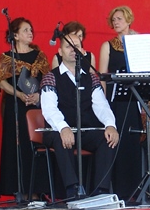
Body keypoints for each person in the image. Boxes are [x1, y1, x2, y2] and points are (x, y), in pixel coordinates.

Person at [41, 33, 120, 199]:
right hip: (57, 130)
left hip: (84, 130)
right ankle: (72, 190)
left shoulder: (91, 78)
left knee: (107, 138)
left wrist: (110, 125)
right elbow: (49, 109)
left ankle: (101, 191)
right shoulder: (51, 77)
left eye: (76, 46)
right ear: (60, 51)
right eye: (68, 46)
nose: (73, 50)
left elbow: (101, 106)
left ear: (83, 51)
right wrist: (63, 128)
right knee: (61, 139)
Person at [0, 17, 50, 198]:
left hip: (35, 107)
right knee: (16, 145)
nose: (30, 33)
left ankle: (37, 189)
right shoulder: (6, 57)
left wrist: (39, 94)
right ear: (15, 35)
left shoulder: (39, 56)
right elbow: (2, 82)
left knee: (35, 144)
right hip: (16, 106)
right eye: (25, 30)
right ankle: (18, 188)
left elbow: (47, 79)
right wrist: (19, 94)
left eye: (31, 30)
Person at [99, 6, 143, 199]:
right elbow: (102, 78)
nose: (116, 22)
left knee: (134, 142)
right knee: (119, 143)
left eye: (119, 18)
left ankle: (137, 188)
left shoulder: (139, 43)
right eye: (114, 19)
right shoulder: (108, 45)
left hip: (135, 100)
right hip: (115, 100)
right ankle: (120, 189)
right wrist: (103, 104)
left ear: (128, 20)